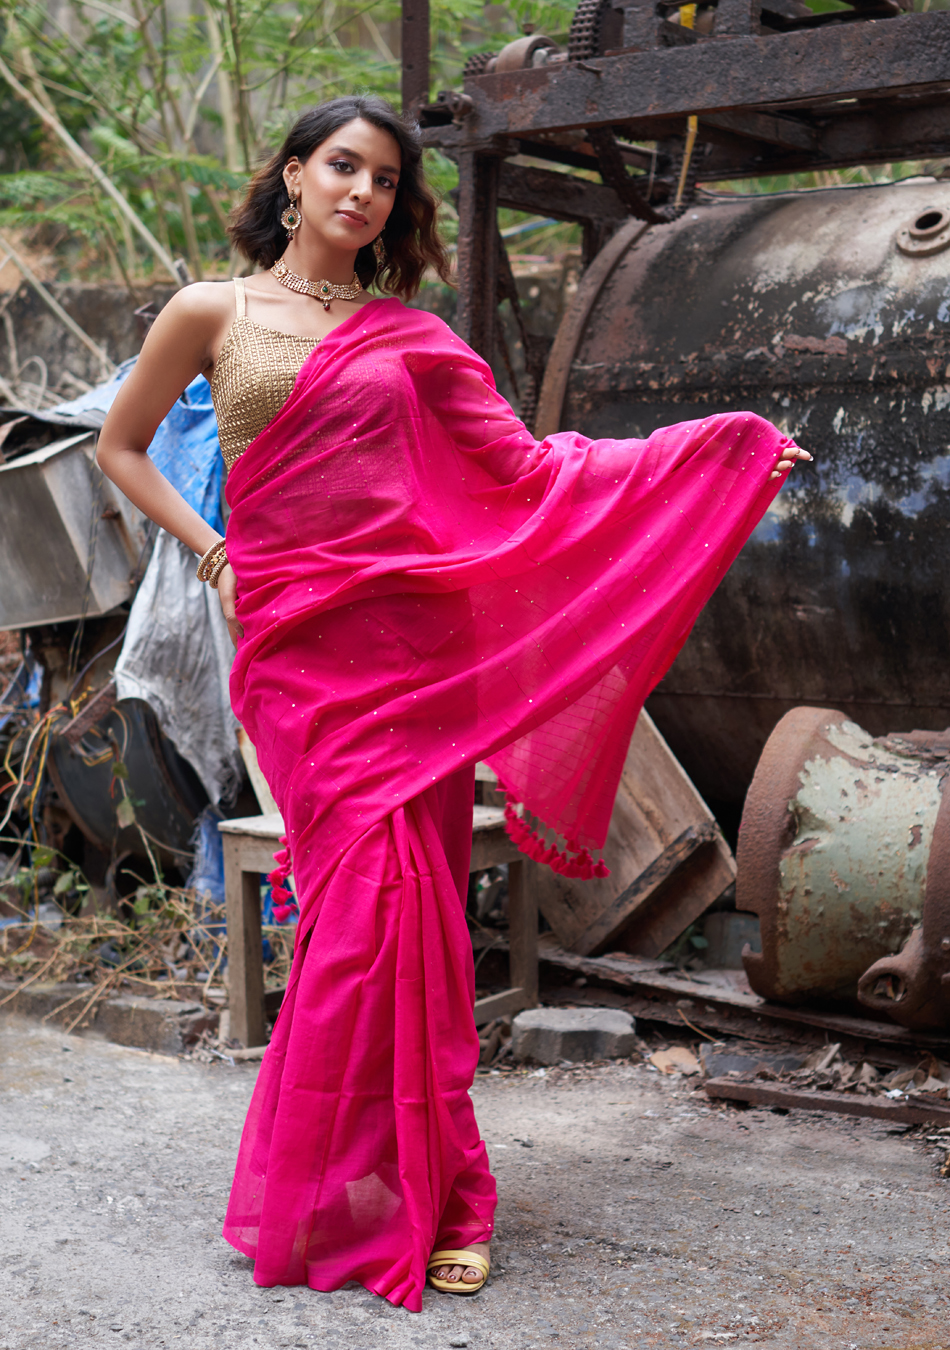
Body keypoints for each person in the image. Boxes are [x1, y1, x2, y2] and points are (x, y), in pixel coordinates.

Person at [96, 93, 811, 1312]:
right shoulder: (210, 311)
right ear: (290, 176)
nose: (360, 193)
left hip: (409, 656)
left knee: (407, 927)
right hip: (296, 656)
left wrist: (711, 453)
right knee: (362, 914)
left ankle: (432, 1198)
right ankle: (345, 1192)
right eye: (340, 166)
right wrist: (213, 552)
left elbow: (535, 471)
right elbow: (122, 447)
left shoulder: (413, 340)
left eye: (383, 180)